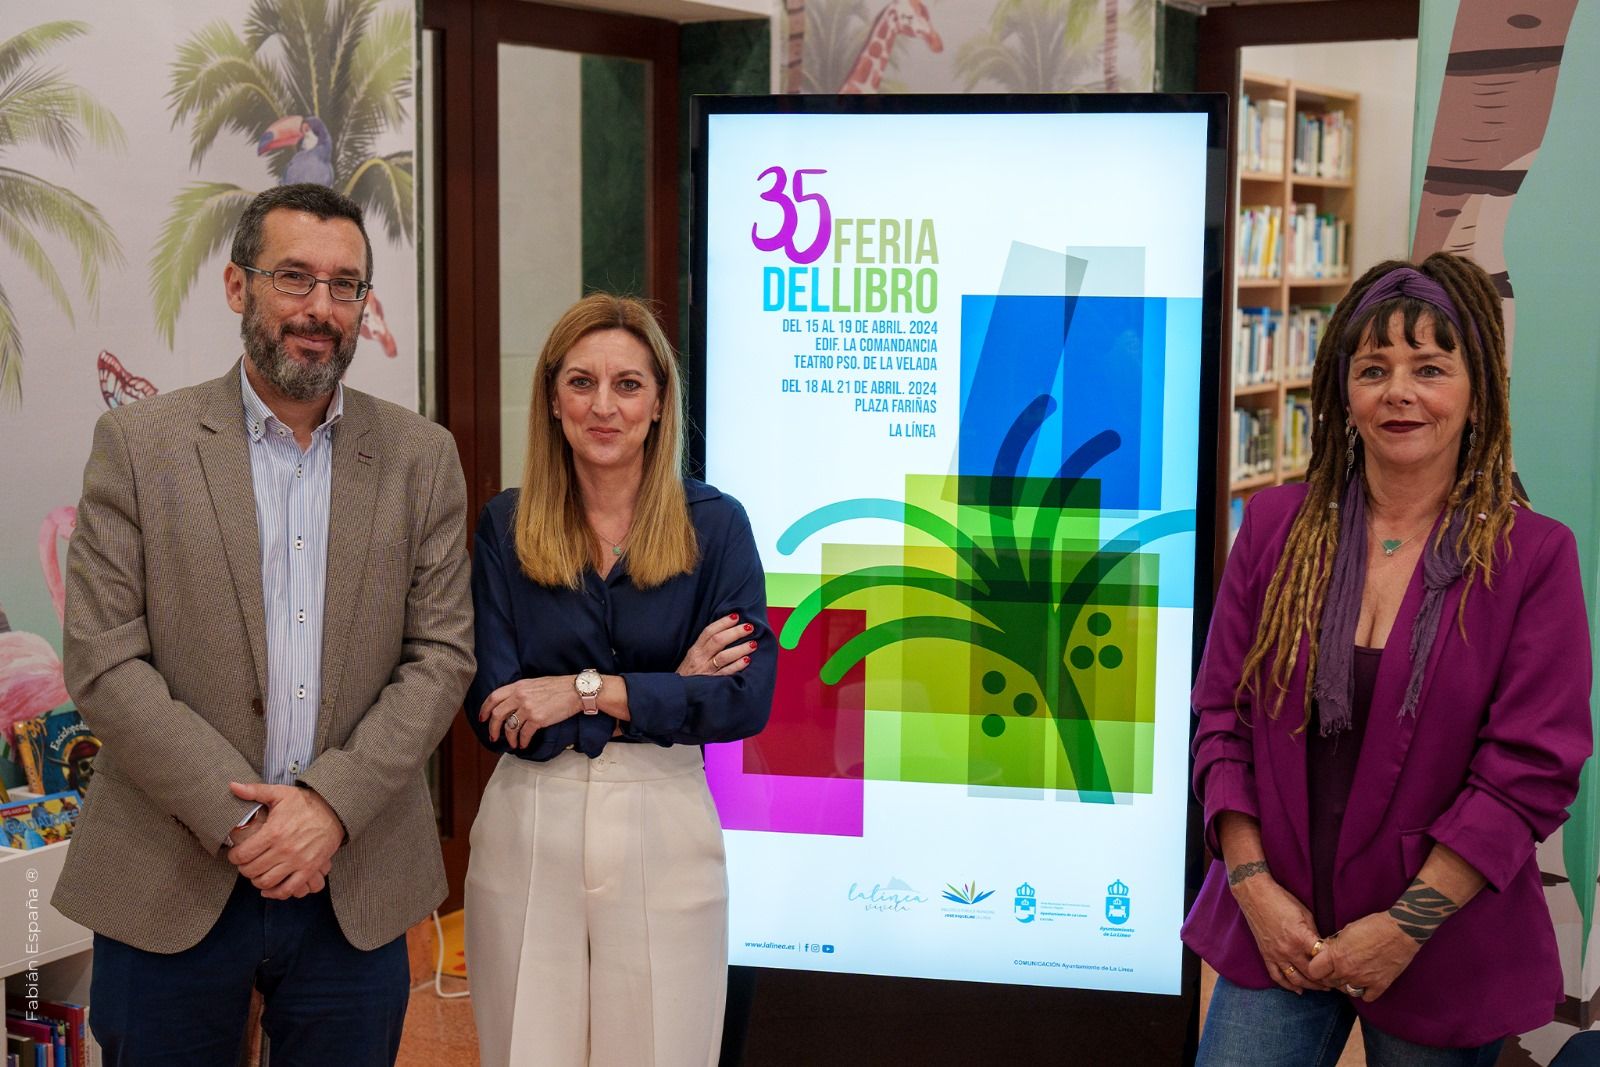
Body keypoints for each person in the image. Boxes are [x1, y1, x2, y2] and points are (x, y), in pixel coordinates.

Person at [55, 184, 475, 1064]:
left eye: (345, 285)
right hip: (170, 870)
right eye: (294, 278)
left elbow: (440, 656)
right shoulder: (140, 446)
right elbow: (105, 662)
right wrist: (248, 824)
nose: (320, 308)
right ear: (237, 286)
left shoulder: (421, 458)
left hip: (351, 878)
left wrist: (330, 805)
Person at [1184, 252, 1592, 1063]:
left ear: (1479, 392)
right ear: (1344, 390)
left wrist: (1403, 928)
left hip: (1440, 938)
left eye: (1431, 368)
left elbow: (1528, 770)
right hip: (1279, 925)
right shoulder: (1273, 529)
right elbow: (1220, 716)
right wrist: (1252, 886)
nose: (1399, 391)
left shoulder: (1532, 555)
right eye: (1373, 368)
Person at [463, 293, 775, 1067]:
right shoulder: (504, 527)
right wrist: (670, 686)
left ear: (661, 400)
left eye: (629, 384)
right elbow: (497, 712)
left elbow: (744, 697)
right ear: (552, 399)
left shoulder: (717, 525)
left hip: (666, 820)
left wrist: (579, 690)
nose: (604, 405)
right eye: (582, 382)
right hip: (530, 825)